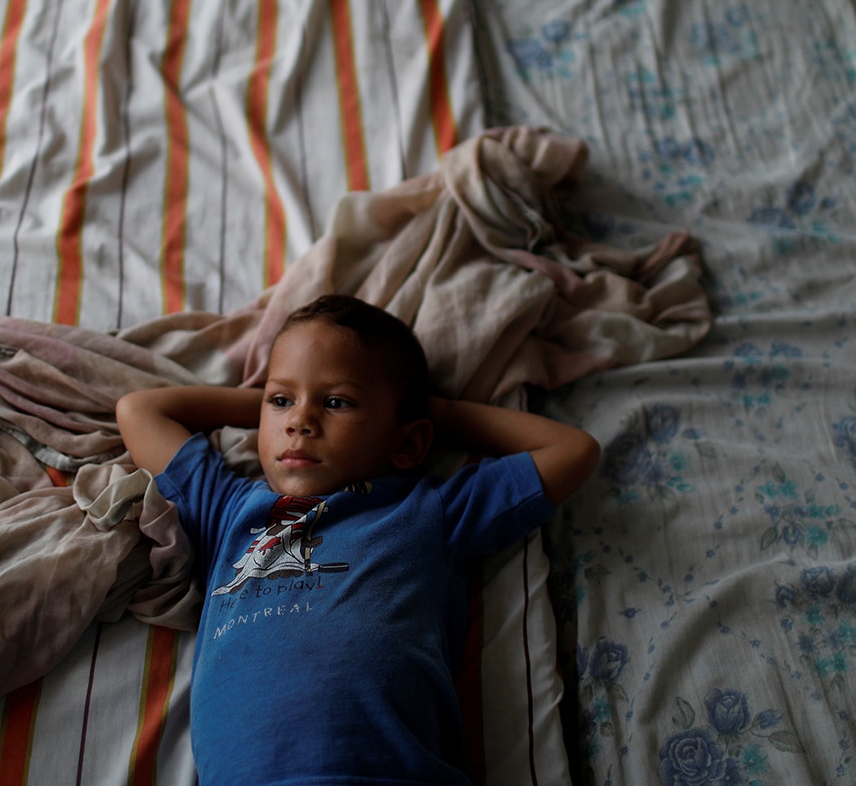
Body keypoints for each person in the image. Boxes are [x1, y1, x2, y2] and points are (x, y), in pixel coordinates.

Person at [116, 294, 600, 785]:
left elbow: (573, 450)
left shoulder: (428, 512)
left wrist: (434, 413)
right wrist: (266, 404)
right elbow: (139, 410)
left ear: (410, 443)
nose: (299, 422)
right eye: (282, 401)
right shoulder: (230, 509)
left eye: (336, 402)